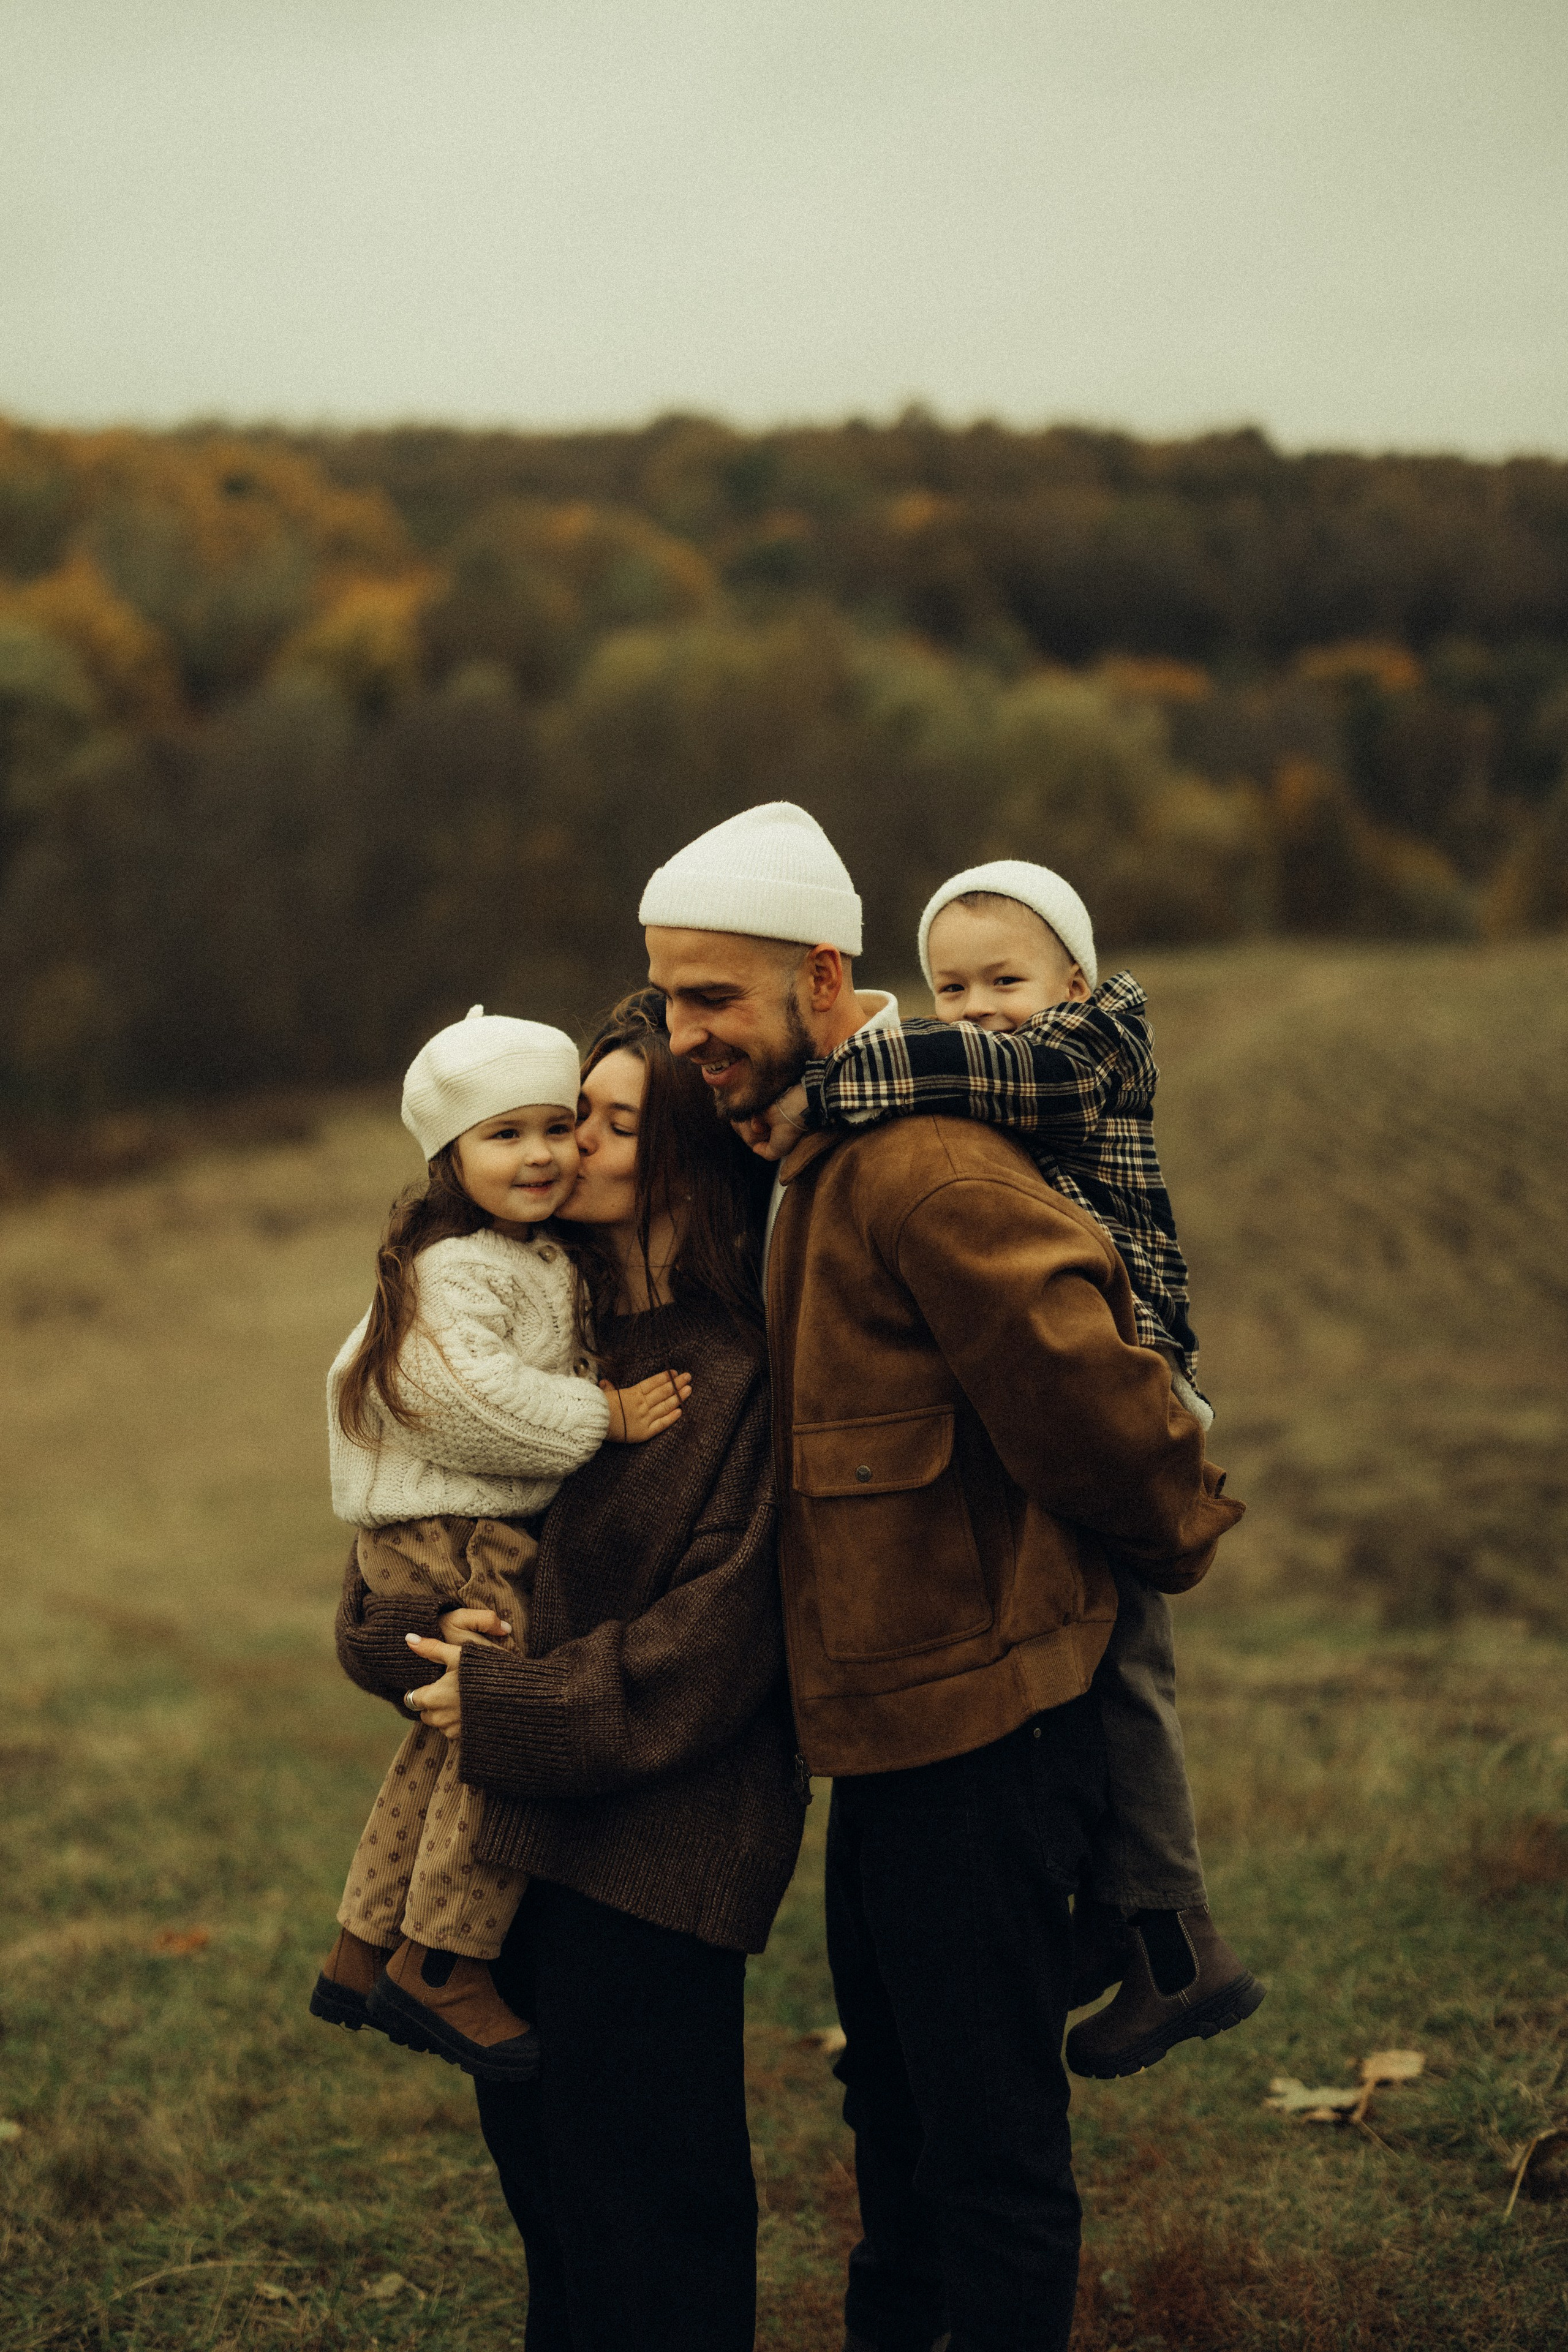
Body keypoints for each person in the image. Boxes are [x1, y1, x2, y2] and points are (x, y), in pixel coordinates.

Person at [643, 802, 1245, 2352]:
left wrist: (1171, 1540)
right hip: (881, 1734)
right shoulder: (804, 1159)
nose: (681, 1029)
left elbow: (1105, 1411)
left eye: (714, 996)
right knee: (890, 2108)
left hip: (986, 1732)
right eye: (666, 996)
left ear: (823, 978)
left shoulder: (920, 1168)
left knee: (983, 2142)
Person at [334, 991, 803, 2352]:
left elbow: (719, 1643)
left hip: (658, 1855)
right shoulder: (532, 1325)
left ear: (684, 1156)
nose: (560, 1146)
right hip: (507, 1842)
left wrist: (500, 1704)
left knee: (655, 2217)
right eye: (555, 1116)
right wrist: (402, 1640)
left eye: (604, 1122)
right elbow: (398, 1527)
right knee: (545, 2199)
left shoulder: (741, 1369)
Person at [747, 858, 1264, 2081]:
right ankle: (1102, 1915)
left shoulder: (1091, 1046)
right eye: (948, 984)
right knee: (1077, 1648)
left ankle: (1174, 1944)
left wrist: (831, 1080)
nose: (975, 1007)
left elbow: (976, 1068)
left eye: (1004, 979)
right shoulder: (985, 1070)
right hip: (1092, 1359)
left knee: (1123, 1664)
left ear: (1072, 979)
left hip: (1134, 1370)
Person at [311, 1005, 693, 2078]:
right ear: (450, 1156)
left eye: (555, 1126)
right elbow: (459, 1394)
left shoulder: (533, 1258)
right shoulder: (457, 1267)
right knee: (496, 1719)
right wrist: (602, 1417)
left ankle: (363, 1942)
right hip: (454, 1535)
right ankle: (443, 1957)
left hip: (455, 1526)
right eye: (505, 1134)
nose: (543, 1154)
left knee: (445, 1735)